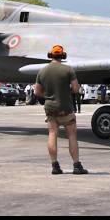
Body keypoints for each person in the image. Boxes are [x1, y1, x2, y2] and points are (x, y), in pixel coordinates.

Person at [34, 44, 89, 175]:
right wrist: (66, 92)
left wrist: (48, 96)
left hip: (50, 108)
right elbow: (76, 89)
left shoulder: (42, 71)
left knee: (52, 134)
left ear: (50, 55)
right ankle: (76, 165)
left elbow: (37, 92)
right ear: (63, 56)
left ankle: (55, 165)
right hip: (66, 107)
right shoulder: (68, 70)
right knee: (72, 135)